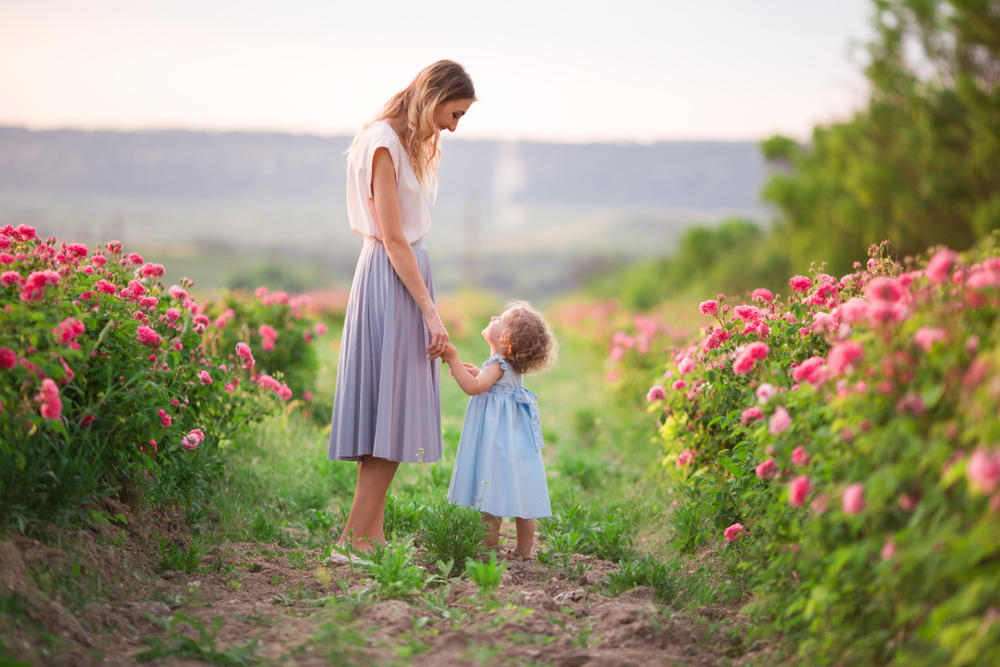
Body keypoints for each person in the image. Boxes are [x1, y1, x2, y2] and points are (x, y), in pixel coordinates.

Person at [328, 60, 475, 555]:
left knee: (383, 415)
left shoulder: (386, 139)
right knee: (387, 415)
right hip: (395, 276)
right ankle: (355, 540)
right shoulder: (385, 143)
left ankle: (366, 537)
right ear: (433, 96)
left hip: (393, 273)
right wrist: (430, 311)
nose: (453, 127)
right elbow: (393, 237)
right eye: (453, 114)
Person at [441, 301, 557, 559]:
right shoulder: (508, 364)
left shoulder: (497, 363)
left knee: (490, 485)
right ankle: (524, 551)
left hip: (497, 437)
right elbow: (485, 383)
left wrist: (453, 359)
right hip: (516, 435)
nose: (494, 317)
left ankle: (489, 547)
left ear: (508, 340)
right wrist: (474, 372)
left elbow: (473, 387)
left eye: (501, 319)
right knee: (522, 486)